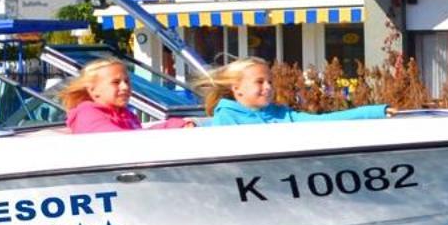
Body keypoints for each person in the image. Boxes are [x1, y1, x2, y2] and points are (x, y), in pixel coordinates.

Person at [199, 58, 388, 125]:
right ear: (237, 88)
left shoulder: (282, 115)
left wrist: (376, 111)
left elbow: (324, 122)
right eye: (260, 82)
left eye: (270, 82)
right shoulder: (226, 118)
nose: (268, 87)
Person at [62, 57, 197, 133]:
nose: (125, 87)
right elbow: (124, 141)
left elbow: (138, 133)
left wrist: (177, 125)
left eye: (126, 81)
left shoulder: (126, 114)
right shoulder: (88, 115)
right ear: (93, 90)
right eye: (116, 82)